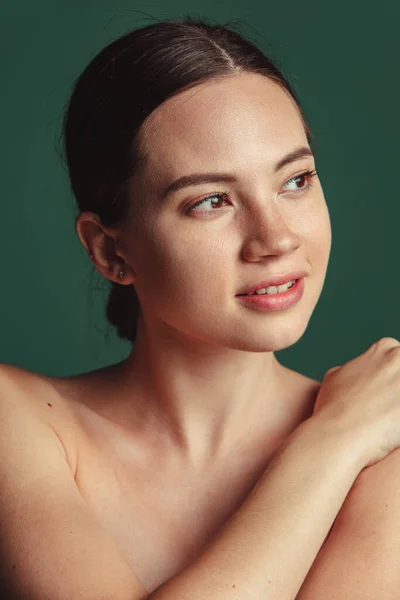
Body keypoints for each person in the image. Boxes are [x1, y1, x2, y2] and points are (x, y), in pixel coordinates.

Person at [1, 15, 400, 600]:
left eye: (296, 180)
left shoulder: (387, 463)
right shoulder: (18, 423)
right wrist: (331, 442)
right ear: (110, 250)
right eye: (211, 200)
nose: (277, 238)